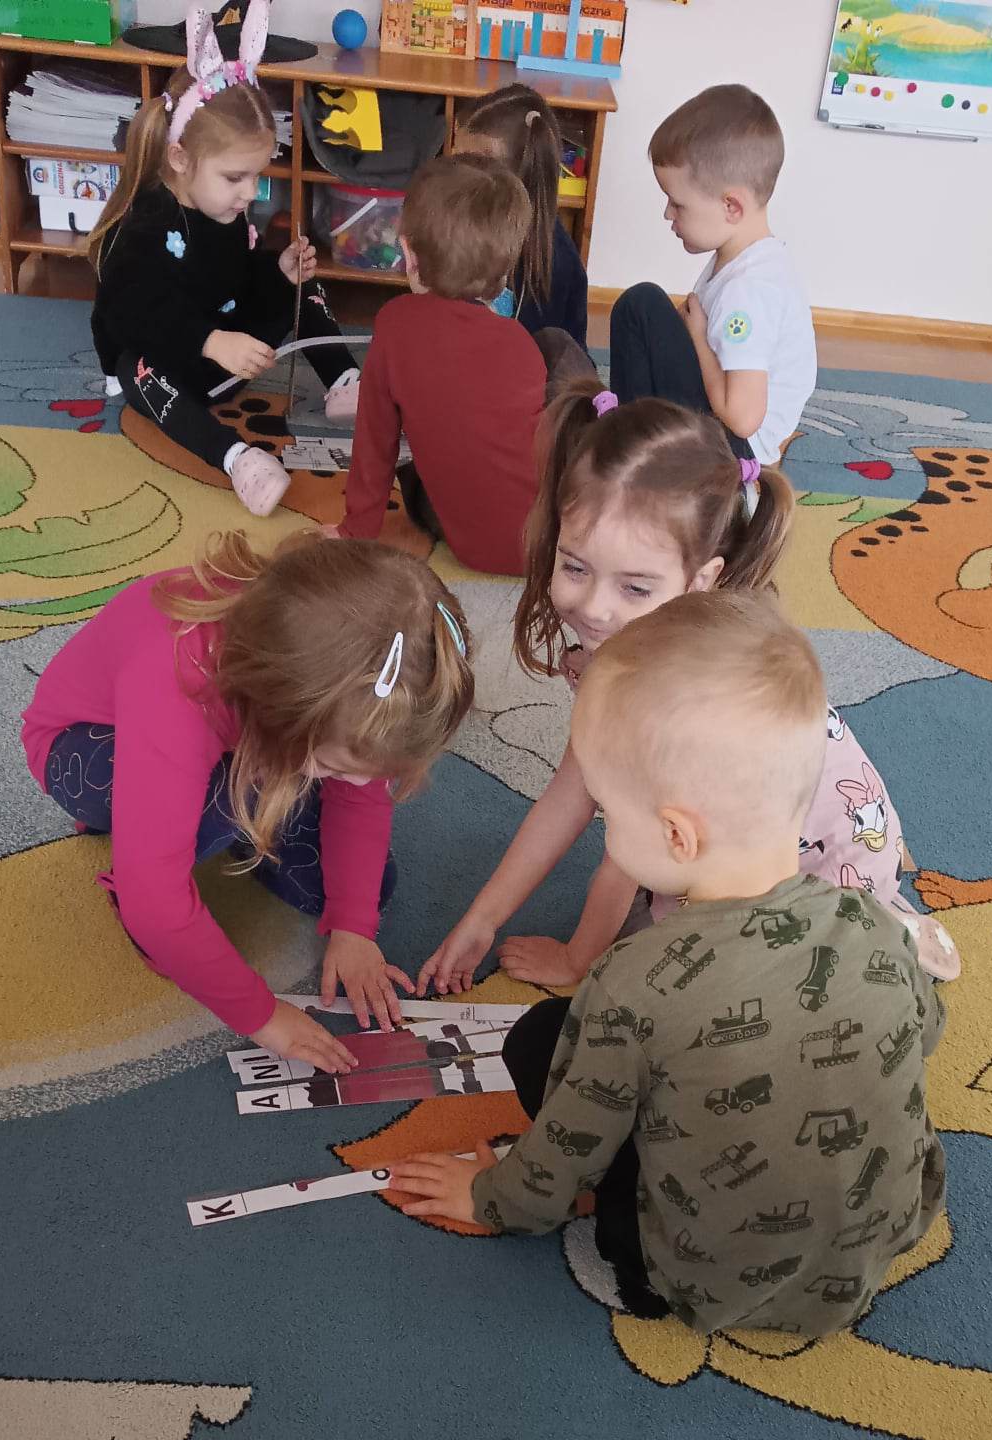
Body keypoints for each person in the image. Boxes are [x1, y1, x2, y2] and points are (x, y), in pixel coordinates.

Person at [391, 591, 948, 1331]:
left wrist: (492, 1198)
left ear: (677, 837)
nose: (605, 828)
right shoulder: (878, 923)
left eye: (609, 813)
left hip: (704, 1276)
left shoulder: (634, 981)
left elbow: (572, 1136)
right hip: (877, 1245)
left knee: (540, 1042)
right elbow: (924, 1032)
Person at [416, 385, 957, 999]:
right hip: (739, 835)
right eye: (575, 567)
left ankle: (886, 931)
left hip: (820, 868)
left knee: (687, 983)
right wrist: (483, 918)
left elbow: (622, 864)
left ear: (701, 580)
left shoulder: (676, 698)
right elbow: (572, 793)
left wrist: (576, 960)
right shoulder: (634, 649)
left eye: (635, 587)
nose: (594, 608)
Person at [21, 534, 473, 1070]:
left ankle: (253, 800)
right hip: (85, 751)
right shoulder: (174, 684)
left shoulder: (336, 684)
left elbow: (361, 798)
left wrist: (354, 925)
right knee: (217, 817)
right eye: (336, 769)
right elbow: (157, 906)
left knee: (360, 887)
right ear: (280, 713)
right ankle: (138, 852)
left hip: (244, 737)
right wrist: (263, 1016)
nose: (356, 784)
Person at [89, 4, 363, 519]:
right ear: (180, 159)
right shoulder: (144, 225)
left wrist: (277, 273)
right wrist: (212, 341)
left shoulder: (222, 206)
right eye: (235, 177)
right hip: (175, 370)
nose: (250, 193)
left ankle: (345, 381)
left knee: (300, 279)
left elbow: (232, 276)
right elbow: (132, 316)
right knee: (134, 369)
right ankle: (238, 460)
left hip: (234, 355)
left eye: (256, 176)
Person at [334, 154, 550, 574]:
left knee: (412, 475)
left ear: (408, 254)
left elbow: (375, 441)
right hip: (547, 546)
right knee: (555, 347)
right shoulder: (521, 344)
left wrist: (355, 530)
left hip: (470, 545)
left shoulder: (393, 324)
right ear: (504, 271)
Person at [610, 84, 817, 469]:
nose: (668, 214)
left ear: (731, 206)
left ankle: (632, 453)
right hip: (729, 435)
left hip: (733, 451)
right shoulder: (750, 260)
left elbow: (743, 417)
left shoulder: (747, 291)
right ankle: (633, 437)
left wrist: (697, 337)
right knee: (651, 317)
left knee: (640, 306)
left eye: (678, 204)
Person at [455, 83, 589, 350]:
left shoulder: (550, 262)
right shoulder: (481, 224)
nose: (452, 174)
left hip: (536, 365)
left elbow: (527, 356)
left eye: (462, 164)